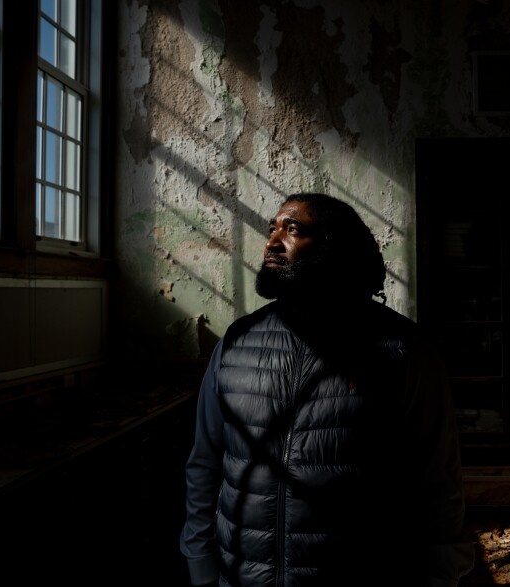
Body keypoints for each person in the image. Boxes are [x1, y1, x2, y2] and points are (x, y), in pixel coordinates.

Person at [180, 192, 474, 587]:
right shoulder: (237, 341)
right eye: (272, 229)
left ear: (334, 245)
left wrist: (439, 575)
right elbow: (205, 462)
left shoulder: (403, 349)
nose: (271, 241)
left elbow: (438, 480)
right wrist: (200, 561)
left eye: (293, 229)